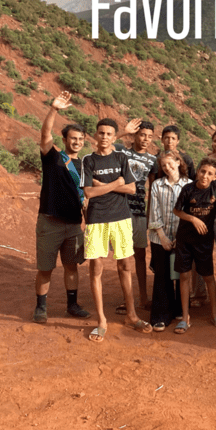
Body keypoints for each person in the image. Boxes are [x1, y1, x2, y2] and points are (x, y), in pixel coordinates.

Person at [81, 118, 150, 342]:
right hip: (96, 219)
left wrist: (102, 185)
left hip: (121, 218)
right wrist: (114, 184)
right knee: (96, 267)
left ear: (114, 136)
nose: (104, 137)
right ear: (96, 134)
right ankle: (101, 320)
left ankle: (131, 314)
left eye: (109, 134)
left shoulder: (121, 157)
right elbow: (89, 193)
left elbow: (131, 188)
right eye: (101, 133)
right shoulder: (88, 160)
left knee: (124, 264)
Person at [32, 91, 90, 323]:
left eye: (80, 139)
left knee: (71, 268)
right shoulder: (53, 157)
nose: (76, 142)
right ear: (65, 139)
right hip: (50, 222)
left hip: (74, 225)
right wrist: (54, 109)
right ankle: (41, 307)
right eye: (73, 138)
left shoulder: (86, 166)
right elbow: (45, 134)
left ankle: (72, 305)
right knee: (45, 269)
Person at [172, 157, 216, 332]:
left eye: (209, 173)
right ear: (197, 171)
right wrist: (192, 218)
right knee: (184, 277)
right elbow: (177, 210)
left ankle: (214, 314)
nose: (205, 176)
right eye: (202, 171)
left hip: (204, 242)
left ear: (215, 176)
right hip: (185, 239)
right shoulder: (188, 189)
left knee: (208, 277)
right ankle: (185, 317)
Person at [117, 119, 157, 312]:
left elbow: (152, 190)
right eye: (142, 135)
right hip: (120, 210)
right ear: (135, 135)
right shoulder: (122, 151)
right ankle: (128, 299)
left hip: (139, 211)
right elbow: (103, 146)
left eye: (149, 137)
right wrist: (123, 132)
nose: (145, 140)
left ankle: (143, 297)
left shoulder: (152, 160)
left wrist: (150, 217)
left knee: (140, 254)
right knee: (123, 256)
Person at [146, 151, 188, 331]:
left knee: (179, 275)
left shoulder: (189, 185)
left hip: (182, 238)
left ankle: (179, 310)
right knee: (162, 276)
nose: (167, 168)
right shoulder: (157, 185)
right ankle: (160, 315)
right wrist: (162, 237)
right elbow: (154, 212)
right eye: (163, 166)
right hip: (159, 238)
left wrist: (180, 238)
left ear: (179, 162)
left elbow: (190, 213)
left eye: (170, 164)